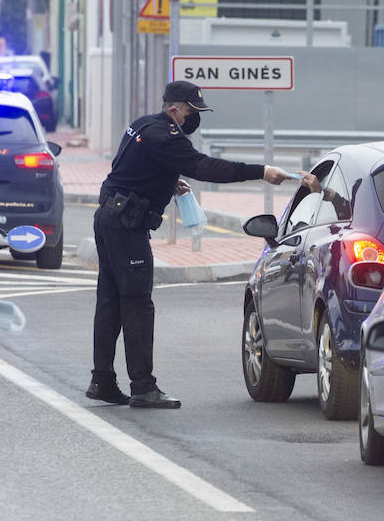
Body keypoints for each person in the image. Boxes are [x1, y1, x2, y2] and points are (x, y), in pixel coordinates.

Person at [88, 79, 317, 408]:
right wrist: (262, 171)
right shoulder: (166, 136)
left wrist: (167, 180)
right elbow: (207, 167)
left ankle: (102, 381)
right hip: (126, 226)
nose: (194, 118)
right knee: (137, 304)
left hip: (109, 217)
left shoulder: (143, 125)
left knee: (109, 302)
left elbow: (127, 167)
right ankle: (143, 387)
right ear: (174, 109)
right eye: (191, 111)